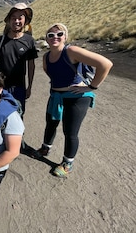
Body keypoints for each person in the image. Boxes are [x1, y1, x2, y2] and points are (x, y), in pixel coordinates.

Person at [34, 23, 113, 177]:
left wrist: (91, 87)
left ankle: (67, 164)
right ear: (46, 39)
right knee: (51, 124)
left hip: (77, 97)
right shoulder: (46, 57)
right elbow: (52, 74)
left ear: (65, 37)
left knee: (70, 131)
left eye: (59, 34)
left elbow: (105, 64)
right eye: (51, 35)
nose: (55, 37)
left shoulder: (71, 51)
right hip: (56, 96)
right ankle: (45, 148)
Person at [0, 2, 38, 117]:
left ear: (25, 20)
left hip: (19, 88)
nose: (16, 21)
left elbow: (31, 66)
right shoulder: (1, 40)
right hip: (0, 86)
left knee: (17, 116)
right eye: (13, 18)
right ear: (9, 20)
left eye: (20, 18)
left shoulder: (29, 40)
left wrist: (29, 87)